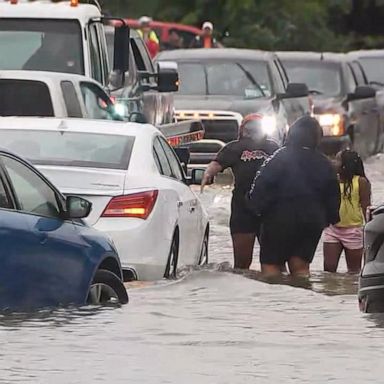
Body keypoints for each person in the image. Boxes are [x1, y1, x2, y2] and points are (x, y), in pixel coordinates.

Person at [247, 115, 340, 277]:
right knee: (301, 268)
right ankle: (302, 299)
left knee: (271, 267)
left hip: (279, 220)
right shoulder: (325, 163)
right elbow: (333, 195)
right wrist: (329, 218)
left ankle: (277, 301)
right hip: (312, 222)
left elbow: (261, 186)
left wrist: (256, 209)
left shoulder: (278, 158)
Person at [201, 114, 279, 269]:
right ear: (243, 129)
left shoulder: (273, 147)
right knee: (242, 264)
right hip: (242, 208)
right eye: (250, 126)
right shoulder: (234, 147)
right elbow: (216, 164)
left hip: (270, 208)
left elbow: (287, 168)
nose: (253, 130)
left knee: (274, 263)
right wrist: (208, 174)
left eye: (257, 125)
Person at [323, 150, 371, 273]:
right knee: (329, 270)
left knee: (354, 272)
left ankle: (350, 291)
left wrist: (371, 233)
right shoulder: (332, 180)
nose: (334, 162)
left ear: (346, 165)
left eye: (338, 160)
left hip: (353, 230)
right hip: (332, 229)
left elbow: (366, 207)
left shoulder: (361, 182)